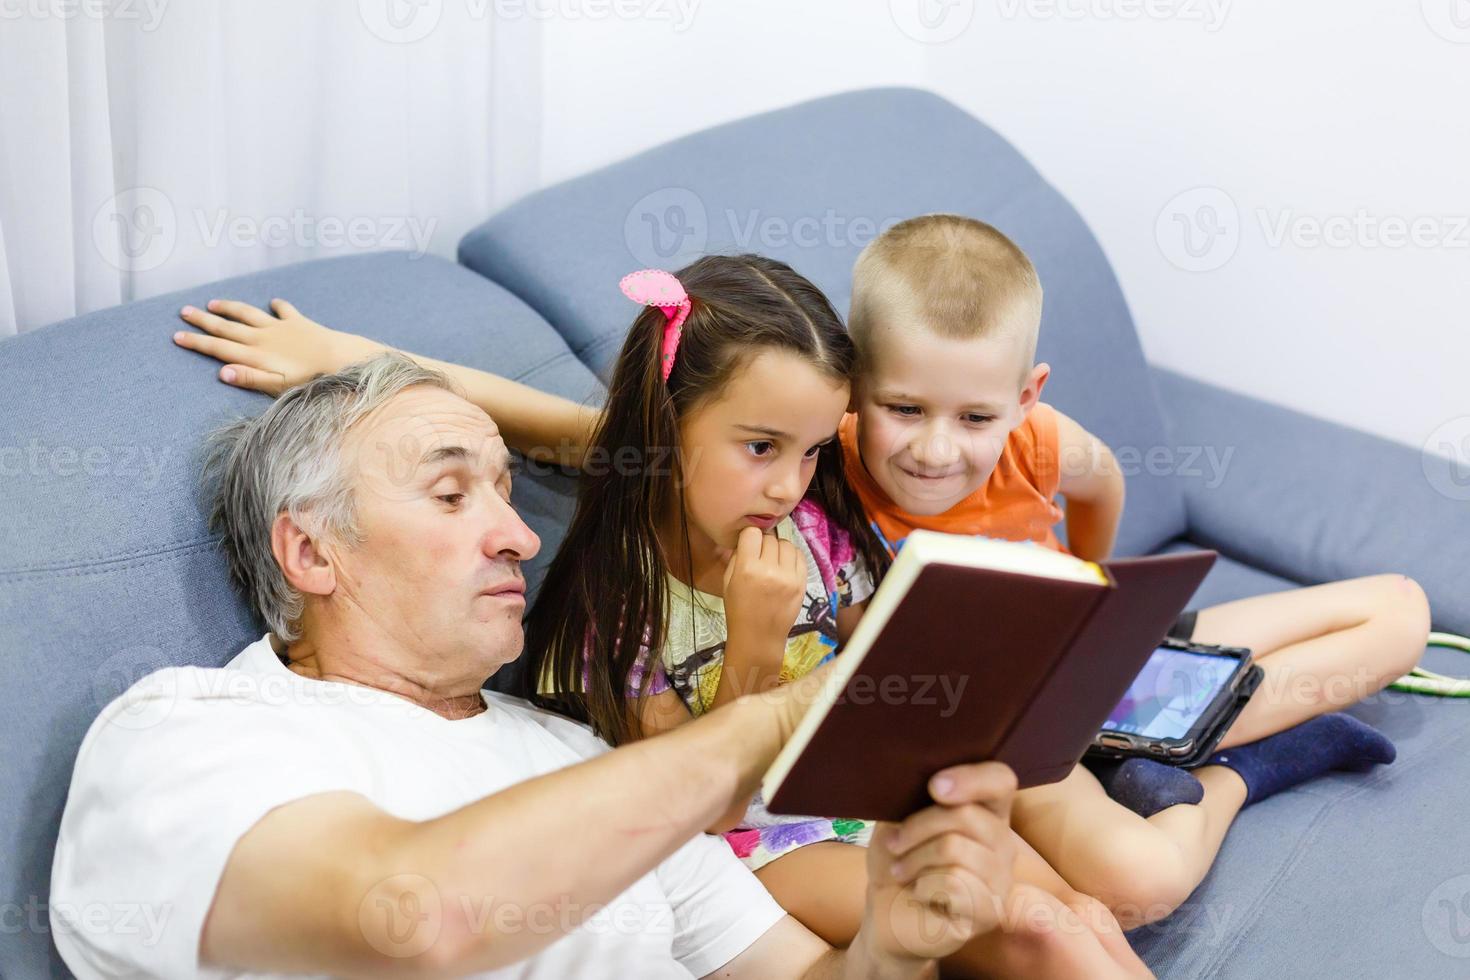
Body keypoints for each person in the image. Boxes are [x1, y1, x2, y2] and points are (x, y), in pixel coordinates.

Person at [173, 259, 1154, 977]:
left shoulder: (811, 510)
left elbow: (866, 636)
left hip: (880, 786)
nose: (791, 480)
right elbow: (710, 804)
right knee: (1037, 928)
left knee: (1079, 913)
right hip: (774, 836)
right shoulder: (625, 596)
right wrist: (759, 641)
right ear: (664, 424)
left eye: (812, 449)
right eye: (763, 445)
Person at [48, 354, 1023, 979]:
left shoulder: (577, 759)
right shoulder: (190, 729)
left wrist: (893, 946)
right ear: (312, 553)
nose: (520, 533)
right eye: (450, 492)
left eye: (509, 492)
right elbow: (417, 916)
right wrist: (784, 707)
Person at [832, 213, 1430, 926]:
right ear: (852, 383)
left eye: (974, 419)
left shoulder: (1040, 440)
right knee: (1140, 886)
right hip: (1002, 736)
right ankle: (1237, 771)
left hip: (1090, 662)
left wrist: (1097, 588)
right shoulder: (822, 472)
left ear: (1025, 397)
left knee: (1400, 609)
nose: (935, 450)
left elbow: (1104, 481)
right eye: (904, 408)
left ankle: (1152, 742)